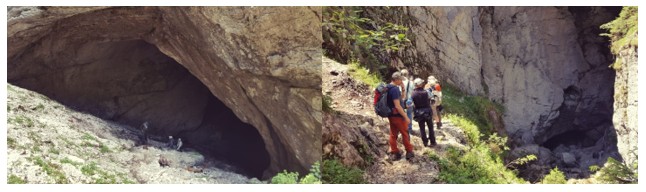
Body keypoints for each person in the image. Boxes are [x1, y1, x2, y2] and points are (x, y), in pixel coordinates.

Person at [386, 72, 414, 160]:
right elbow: (398, 105)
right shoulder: (394, 89)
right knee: (405, 133)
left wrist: (403, 89)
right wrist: (406, 117)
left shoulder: (388, 87)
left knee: (393, 134)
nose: (402, 81)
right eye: (401, 79)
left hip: (391, 115)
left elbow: (401, 99)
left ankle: (395, 152)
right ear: (397, 80)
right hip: (398, 116)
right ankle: (409, 152)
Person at [411, 78, 437, 147]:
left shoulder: (413, 93)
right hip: (427, 111)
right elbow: (433, 100)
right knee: (430, 127)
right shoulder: (427, 92)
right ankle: (433, 142)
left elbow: (409, 103)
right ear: (420, 84)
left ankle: (425, 142)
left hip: (419, 113)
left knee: (422, 128)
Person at [400, 69, 415, 135]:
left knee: (401, 114)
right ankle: (409, 129)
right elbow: (414, 92)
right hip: (409, 101)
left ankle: (402, 128)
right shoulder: (411, 82)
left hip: (401, 100)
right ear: (407, 74)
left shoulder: (399, 82)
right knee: (409, 114)